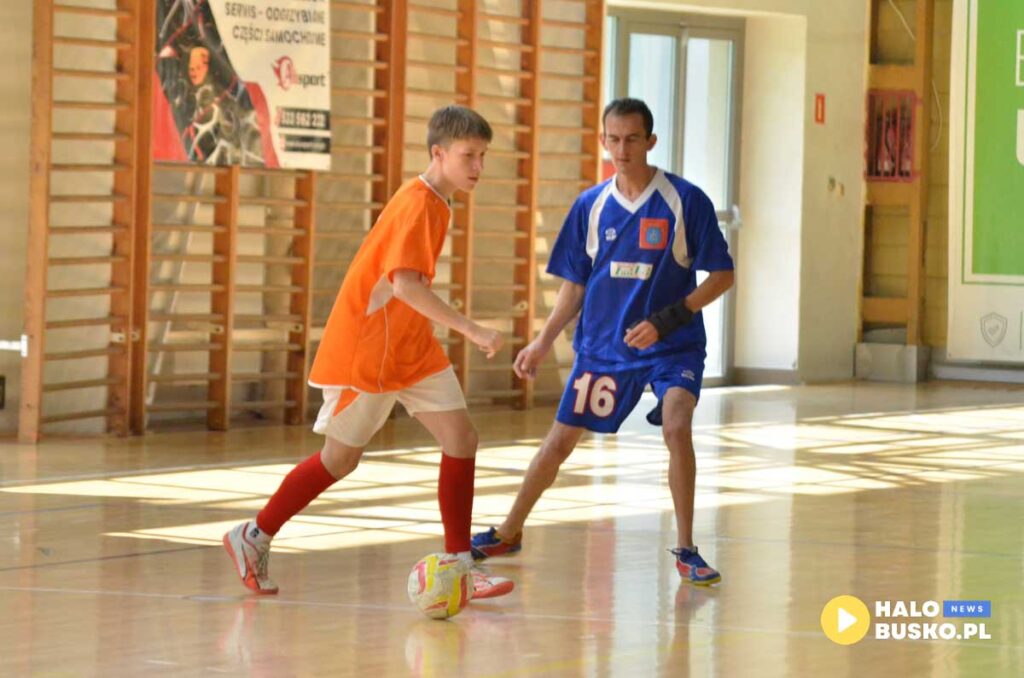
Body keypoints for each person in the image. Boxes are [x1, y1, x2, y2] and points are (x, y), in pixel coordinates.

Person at [224, 105, 513, 600]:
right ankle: (253, 535)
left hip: (410, 346)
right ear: (438, 153)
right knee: (339, 460)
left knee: (461, 438)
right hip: (371, 351)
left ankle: (460, 567)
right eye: (469, 155)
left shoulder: (438, 202)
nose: (478, 167)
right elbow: (404, 286)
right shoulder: (420, 203)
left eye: (483, 156)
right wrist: (472, 330)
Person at [471, 98, 735, 586]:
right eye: (613, 139)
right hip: (604, 349)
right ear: (603, 141)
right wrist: (542, 342)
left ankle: (687, 547)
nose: (622, 149)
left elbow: (722, 276)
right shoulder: (590, 206)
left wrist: (670, 317)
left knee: (677, 426)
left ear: (650, 141)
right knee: (559, 442)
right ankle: (509, 531)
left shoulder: (684, 200)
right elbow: (574, 285)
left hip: (671, 346)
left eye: (632, 139)